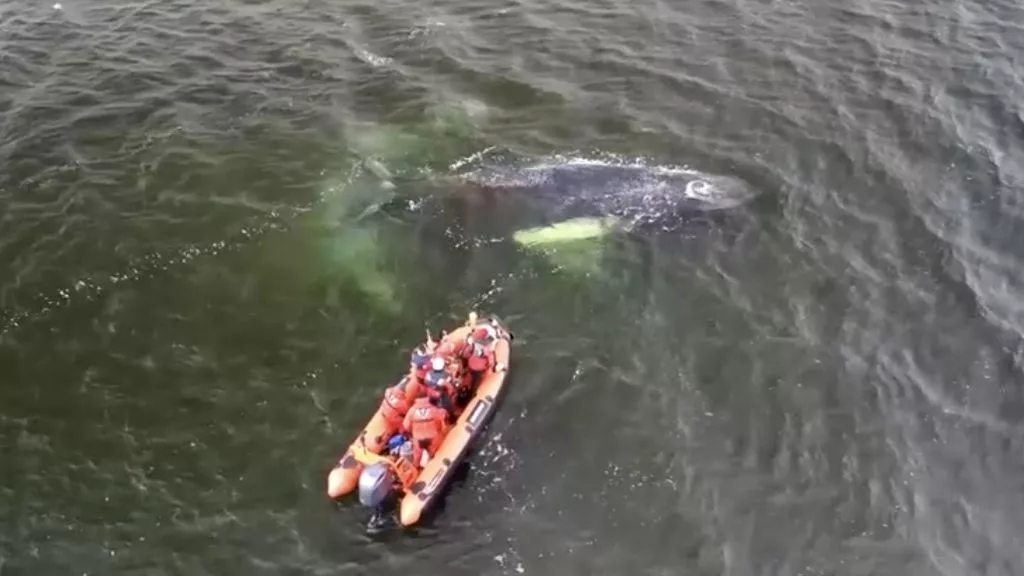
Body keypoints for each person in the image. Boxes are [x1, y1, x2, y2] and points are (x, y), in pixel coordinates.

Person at [401, 395, 451, 467]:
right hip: (433, 439)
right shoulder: (436, 410)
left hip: (419, 440)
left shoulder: (411, 411)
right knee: (434, 451)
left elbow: (406, 426)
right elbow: (444, 427)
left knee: (417, 457)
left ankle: (417, 466)